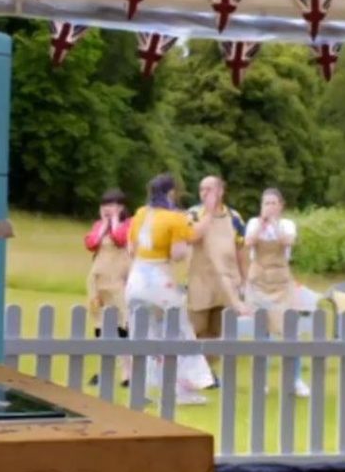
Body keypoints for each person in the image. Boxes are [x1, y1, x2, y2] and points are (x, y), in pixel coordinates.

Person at [126, 173, 214, 405]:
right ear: (171, 192)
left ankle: (142, 387)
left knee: (142, 335)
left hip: (135, 281)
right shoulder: (175, 219)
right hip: (158, 281)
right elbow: (179, 252)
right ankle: (179, 388)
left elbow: (130, 248)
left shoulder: (140, 214)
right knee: (177, 331)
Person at [244, 188, 310, 397]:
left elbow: (287, 242)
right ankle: (260, 381)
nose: (269, 207)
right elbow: (249, 243)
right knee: (261, 334)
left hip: (281, 283)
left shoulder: (287, 225)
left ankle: (295, 379)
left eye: (273, 203)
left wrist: (273, 224)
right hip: (259, 281)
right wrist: (262, 223)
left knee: (291, 332)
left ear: (281, 206)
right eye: (265, 203)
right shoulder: (254, 224)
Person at [187, 176, 250, 384]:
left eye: (209, 189)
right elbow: (192, 237)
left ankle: (207, 373)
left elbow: (241, 248)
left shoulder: (234, 217)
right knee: (196, 328)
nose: (204, 193)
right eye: (201, 189)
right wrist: (209, 213)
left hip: (228, 281)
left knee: (216, 332)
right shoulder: (194, 214)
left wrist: (244, 278)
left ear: (221, 191)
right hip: (201, 279)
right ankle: (190, 372)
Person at [84, 189, 132, 386]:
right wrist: (104, 224)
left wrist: (113, 222)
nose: (107, 209)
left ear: (121, 207)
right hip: (98, 282)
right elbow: (91, 243)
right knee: (101, 326)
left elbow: (121, 239)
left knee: (123, 325)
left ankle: (127, 372)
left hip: (118, 281)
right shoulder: (98, 226)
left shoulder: (128, 225)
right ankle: (104, 370)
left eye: (111, 205)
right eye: (104, 205)